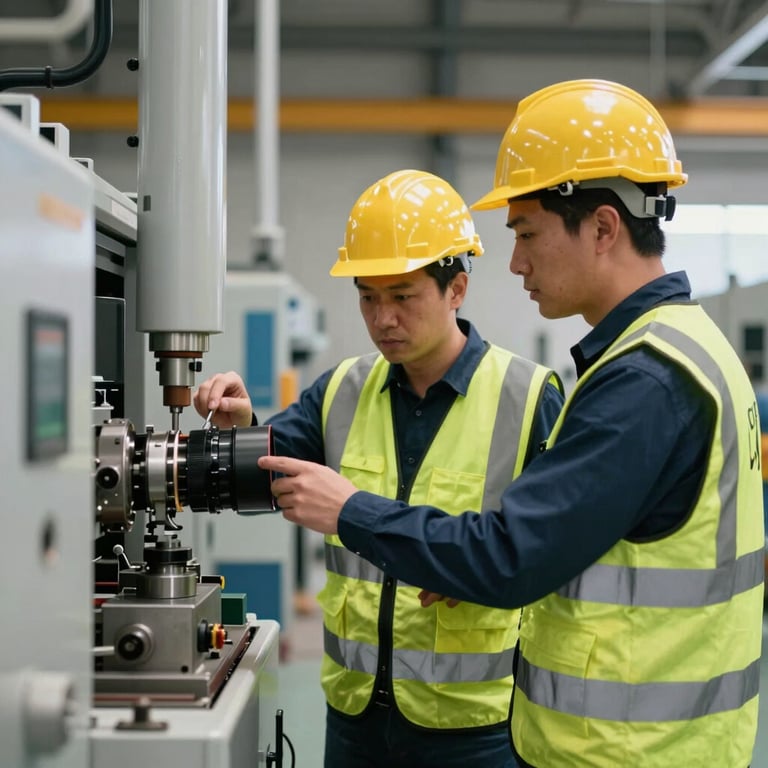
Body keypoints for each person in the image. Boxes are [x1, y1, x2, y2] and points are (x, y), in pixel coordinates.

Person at [258, 80, 765, 767]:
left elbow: (510, 557)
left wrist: (353, 512)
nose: (517, 261)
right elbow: (583, 550)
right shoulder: (686, 350)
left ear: (604, 227)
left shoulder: (645, 380)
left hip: (627, 750)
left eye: (526, 233)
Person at [194, 169, 564, 768]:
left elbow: (552, 549)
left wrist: (477, 573)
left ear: (457, 288)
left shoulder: (526, 397)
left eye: (402, 296)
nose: (383, 318)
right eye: (368, 297)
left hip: (474, 725)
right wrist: (240, 426)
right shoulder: (341, 389)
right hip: (355, 717)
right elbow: (267, 467)